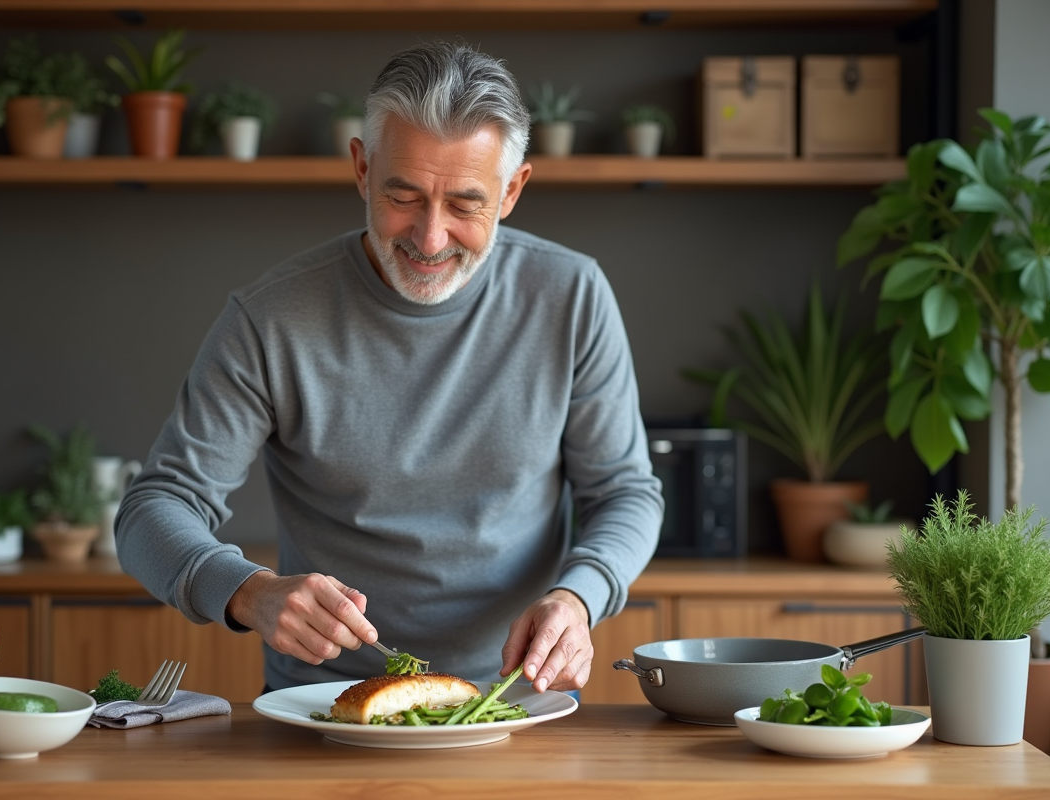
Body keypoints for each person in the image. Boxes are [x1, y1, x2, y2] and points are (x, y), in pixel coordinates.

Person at [115, 41, 663, 696]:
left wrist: (578, 598)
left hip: (513, 703)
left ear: (512, 190)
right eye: (402, 196)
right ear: (361, 169)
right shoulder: (269, 319)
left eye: (464, 205)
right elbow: (154, 509)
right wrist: (250, 593)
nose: (429, 239)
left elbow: (625, 492)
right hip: (324, 707)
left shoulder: (571, 295)